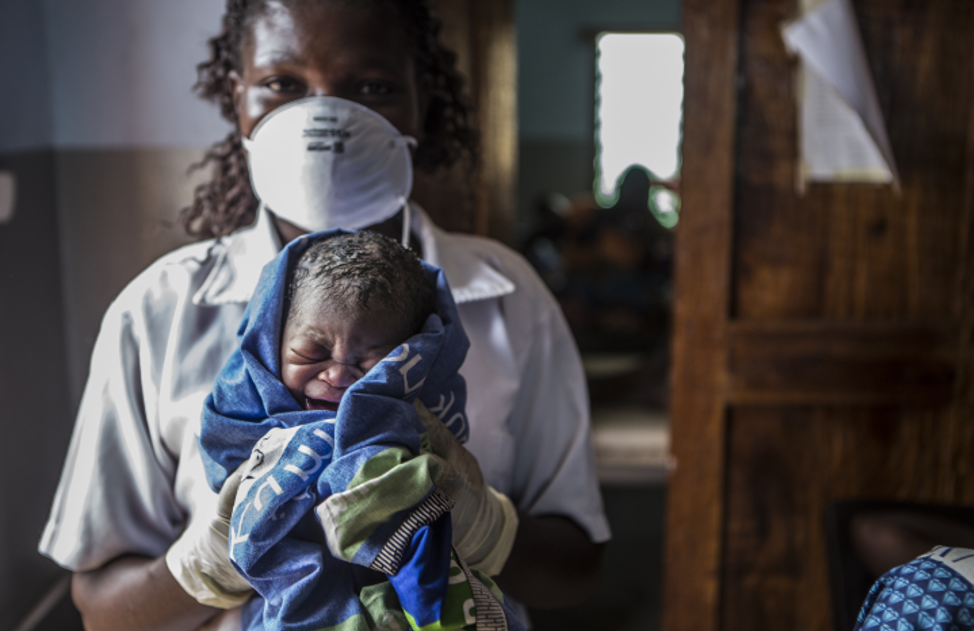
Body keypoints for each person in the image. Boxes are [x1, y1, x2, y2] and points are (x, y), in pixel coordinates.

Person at [39, 1, 610, 630]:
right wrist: (211, 562)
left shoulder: (508, 296)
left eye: (371, 87)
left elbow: (577, 567)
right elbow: (103, 610)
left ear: (420, 100)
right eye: (283, 84)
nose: (325, 118)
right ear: (238, 99)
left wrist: (482, 526)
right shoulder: (158, 312)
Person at [197, 230, 521, 630]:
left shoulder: (420, 428)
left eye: (369, 365)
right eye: (311, 353)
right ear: (272, 345)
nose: (336, 376)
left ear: (410, 363)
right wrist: (213, 557)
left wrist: (484, 527)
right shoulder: (239, 425)